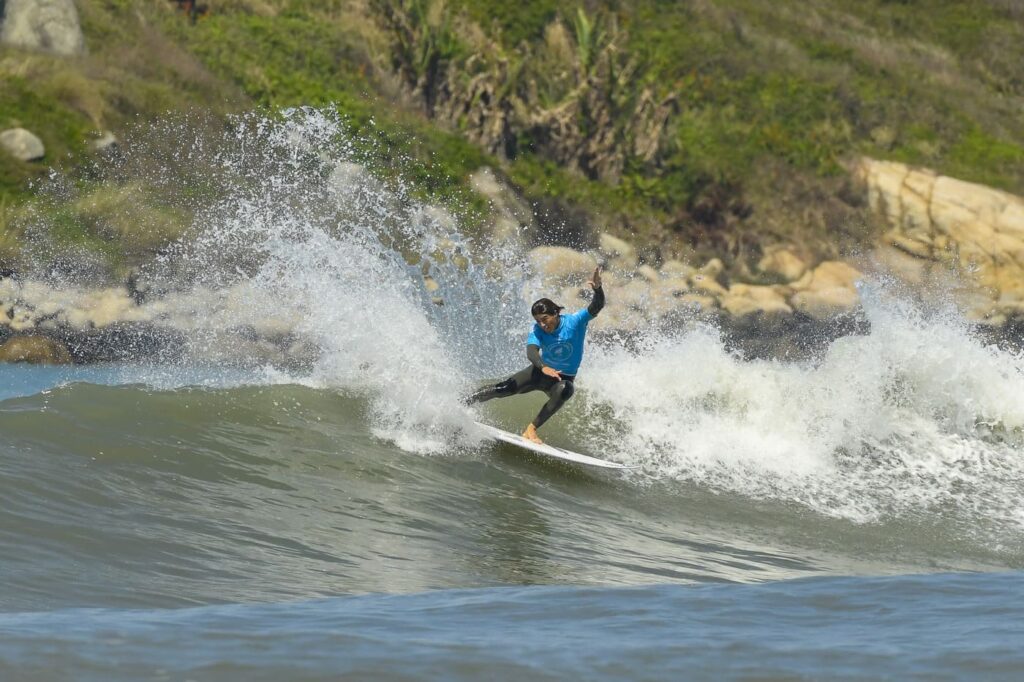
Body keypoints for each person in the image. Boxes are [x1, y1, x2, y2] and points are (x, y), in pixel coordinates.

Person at [467, 266, 605, 444]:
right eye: (538, 321)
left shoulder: (575, 321)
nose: (542, 324)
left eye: (545, 318)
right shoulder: (537, 330)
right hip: (538, 373)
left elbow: (597, 306)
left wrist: (597, 288)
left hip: (561, 379)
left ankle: (531, 430)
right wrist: (543, 367)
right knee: (503, 389)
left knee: (566, 390)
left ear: (555, 313)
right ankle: (461, 402)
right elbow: (531, 351)